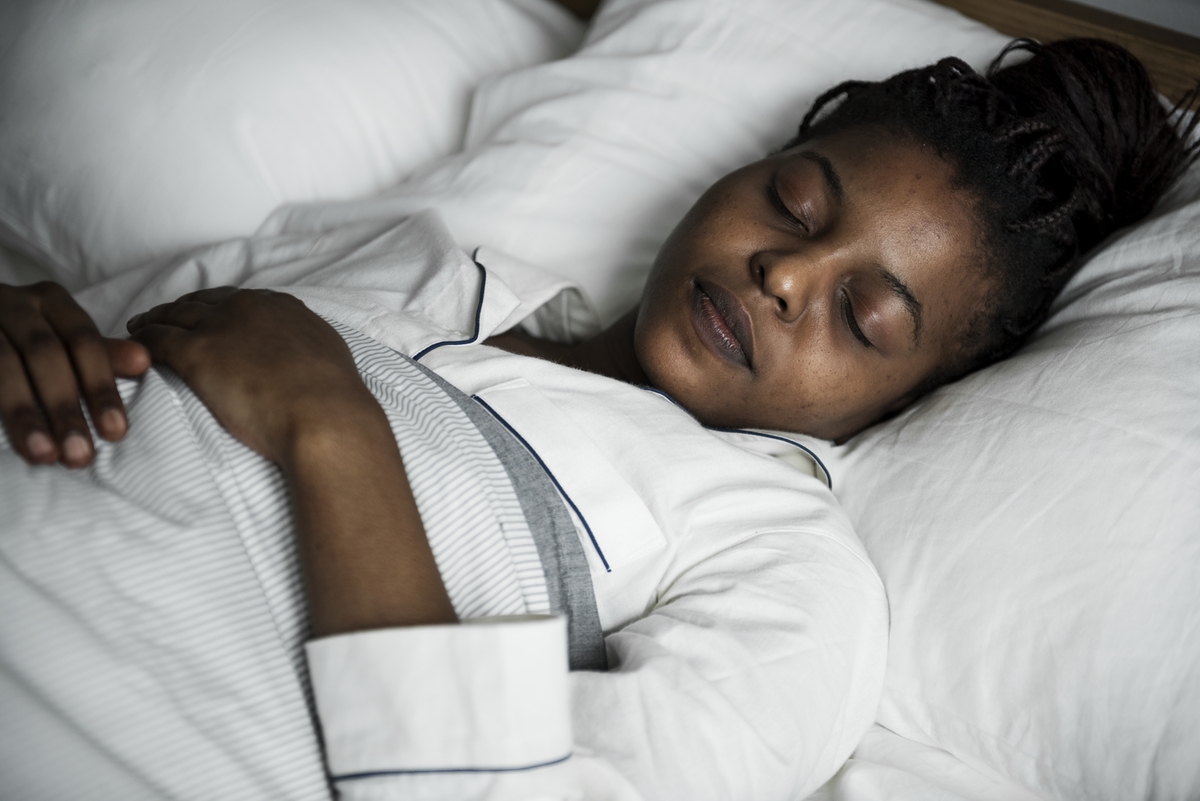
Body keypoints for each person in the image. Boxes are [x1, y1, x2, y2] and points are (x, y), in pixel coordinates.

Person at [0, 38, 1195, 801]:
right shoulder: (401, 253)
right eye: (794, 201)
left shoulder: (783, 564)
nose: (786, 273)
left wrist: (332, 423)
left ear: (919, 392)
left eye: (865, 315)